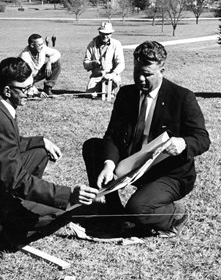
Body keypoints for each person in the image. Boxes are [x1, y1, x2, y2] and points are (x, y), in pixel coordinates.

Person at [0, 57, 97, 260]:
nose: (33, 92)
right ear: (7, 90)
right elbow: (16, 180)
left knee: (39, 152)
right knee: (64, 210)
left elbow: (5, 144)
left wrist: (41, 141)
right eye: (26, 88)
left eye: (32, 85)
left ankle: (16, 209)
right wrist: (68, 195)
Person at [82, 41, 210, 237]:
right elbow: (112, 135)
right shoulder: (126, 94)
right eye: (137, 72)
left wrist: (183, 143)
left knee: (138, 209)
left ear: (162, 70)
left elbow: (202, 138)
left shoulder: (182, 97)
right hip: (133, 163)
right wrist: (108, 164)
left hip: (168, 173)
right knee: (93, 146)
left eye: (147, 74)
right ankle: (115, 213)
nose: (140, 79)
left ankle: (176, 214)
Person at [83, 22, 125, 94]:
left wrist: (113, 74)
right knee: (89, 94)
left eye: (108, 34)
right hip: (97, 76)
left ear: (111, 33)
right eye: (103, 33)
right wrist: (93, 64)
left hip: (112, 76)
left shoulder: (116, 44)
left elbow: (121, 64)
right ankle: (101, 90)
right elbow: (85, 63)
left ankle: (111, 90)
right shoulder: (92, 44)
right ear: (99, 32)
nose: (105, 36)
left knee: (114, 89)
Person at [19, 33, 62, 97]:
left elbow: (57, 53)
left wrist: (49, 62)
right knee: (25, 90)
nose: (42, 46)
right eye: (39, 44)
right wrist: (37, 92)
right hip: (25, 78)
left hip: (36, 74)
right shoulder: (24, 57)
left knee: (57, 62)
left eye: (42, 43)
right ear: (32, 45)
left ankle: (47, 89)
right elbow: (26, 79)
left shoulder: (42, 48)